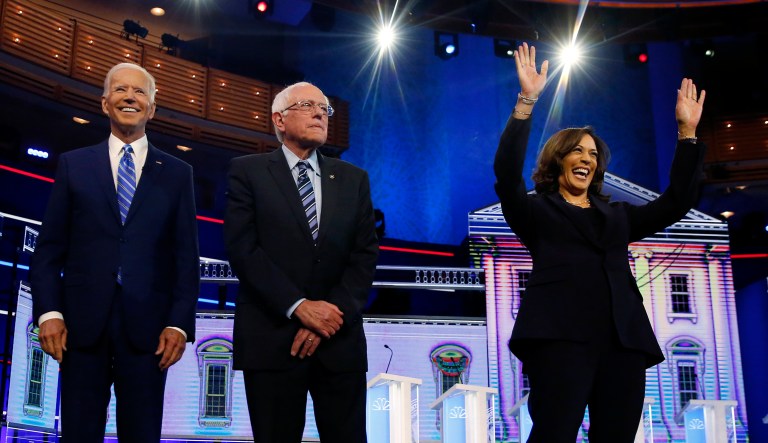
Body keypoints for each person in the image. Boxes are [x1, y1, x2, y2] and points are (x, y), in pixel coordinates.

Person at [493, 43, 706, 442]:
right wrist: (527, 101)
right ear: (558, 160)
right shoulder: (536, 212)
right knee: (554, 433)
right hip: (559, 341)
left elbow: (677, 202)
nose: (586, 158)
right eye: (576, 150)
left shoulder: (619, 218)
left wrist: (687, 134)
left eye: (592, 153)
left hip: (622, 344)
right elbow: (506, 175)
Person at [29, 62, 200, 443]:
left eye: (140, 92)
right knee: (78, 433)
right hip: (80, 328)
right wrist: (49, 313)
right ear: (105, 103)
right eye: (121, 90)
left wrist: (178, 324)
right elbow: (48, 251)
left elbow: (186, 260)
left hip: (150, 332)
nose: (130, 97)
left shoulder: (177, 173)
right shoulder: (74, 165)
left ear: (152, 108)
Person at [224, 81, 378, 442]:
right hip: (272, 337)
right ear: (279, 119)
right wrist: (298, 307)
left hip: (339, 341)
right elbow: (243, 249)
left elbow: (365, 254)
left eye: (325, 108)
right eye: (308, 105)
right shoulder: (247, 172)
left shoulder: (354, 179)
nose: (319, 113)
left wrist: (328, 316)